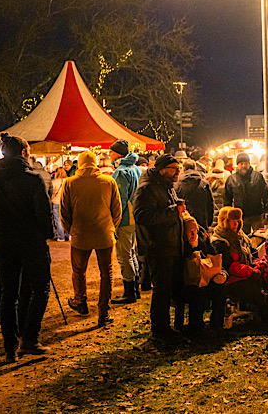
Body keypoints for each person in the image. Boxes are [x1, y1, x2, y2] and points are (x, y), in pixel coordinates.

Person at [0, 133, 55, 361]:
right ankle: (29, 338)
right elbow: (44, 215)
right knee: (40, 289)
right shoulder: (33, 179)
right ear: (23, 153)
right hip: (31, 245)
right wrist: (46, 235)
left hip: (4, 244)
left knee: (8, 295)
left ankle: (10, 347)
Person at [61, 151, 122, 326]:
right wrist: (111, 227)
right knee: (106, 273)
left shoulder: (70, 183)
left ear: (79, 164)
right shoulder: (108, 182)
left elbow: (64, 211)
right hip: (104, 234)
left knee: (79, 271)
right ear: (95, 163)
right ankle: (103, 311)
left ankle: (81, 302)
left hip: (80, 234)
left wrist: (71, 230)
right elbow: (117, 209)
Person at [133, 154, 187, 341]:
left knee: (169, 288)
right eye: (173, 168)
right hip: (158, 246)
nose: (177, 171)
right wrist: (173, 211)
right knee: (161, 290)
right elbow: (141, 216)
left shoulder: (166, 187)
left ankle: (170, 326)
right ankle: (160, 329)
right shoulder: (147, 189)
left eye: (178, 168)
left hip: (171, 244)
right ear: (161, 169)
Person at [175, 216, 227, 335]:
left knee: (220, 289)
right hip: (186, 284)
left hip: (206, 279)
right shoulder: (180, 246)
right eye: (190, 232)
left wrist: (223, 274)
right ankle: (196, 328)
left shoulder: (203, 241)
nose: (194, 235)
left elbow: (214, 258)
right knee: (198, 293)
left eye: (196, 231)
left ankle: (216, 325)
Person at [108, 139, 142, 305]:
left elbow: (118, 200)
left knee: (124, 255)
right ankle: (135, 288)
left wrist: (115, 221)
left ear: (118, 153)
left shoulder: (121, 172)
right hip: (135, 217)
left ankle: (130, 291)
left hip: (125, 218)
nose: (109, 154)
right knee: (132, 252)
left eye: (111, 151)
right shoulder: (135, 169)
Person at [224, 153, 268, 234]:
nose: (243, 166)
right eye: (241, 163)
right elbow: (227, 198)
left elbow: (265, 195)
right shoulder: (231, 179)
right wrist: (227, 216)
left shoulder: (257, 177)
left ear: (249, 164)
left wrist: (267, 212)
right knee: (242, 239)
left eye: (245, 163)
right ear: (237, 165)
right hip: (240, 217)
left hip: (257, 215)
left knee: (259, 239)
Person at [174, 159, 215, 231]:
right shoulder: (204, 184)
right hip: (202, 222)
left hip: (185, 222)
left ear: (183, 169)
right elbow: (210, 204)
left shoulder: (177, 185)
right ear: (195, 168)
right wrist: (209, 222)